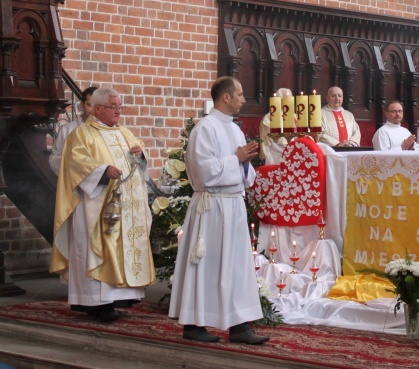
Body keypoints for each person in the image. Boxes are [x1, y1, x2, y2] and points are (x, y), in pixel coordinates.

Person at [169, 76, 269, 345]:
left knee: (237, 266)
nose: (243, 99)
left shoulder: (235, 129)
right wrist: (236, 158)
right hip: (212, 207)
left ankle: (239, 326)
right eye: (240, 94)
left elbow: (243, 174)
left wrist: (247, 161)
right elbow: (203, 171)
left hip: (233, 205)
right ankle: (194, 323)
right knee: (207, 264)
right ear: (225, 97)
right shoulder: (205, 129)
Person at [50, 87, 154, 323]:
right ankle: (96, 303)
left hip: (126, 207)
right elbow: (75, 164)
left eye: (120, 107)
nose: (118, 111)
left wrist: (141, 156)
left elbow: (141, 164)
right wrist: (102, 171)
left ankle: (121, 298)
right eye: (113, 107)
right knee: (97, 249)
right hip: (95, 206)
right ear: (97, 109)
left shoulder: (126, 133)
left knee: (124, 248)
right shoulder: (81, 135)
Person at [49, 86, 98, 175]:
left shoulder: (108, 131)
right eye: (89, 105)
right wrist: (73, 168)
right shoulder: (67, 130)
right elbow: (54, 158)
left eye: (97, 106)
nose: (93, 111)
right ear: (82, 105)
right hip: (73, 183)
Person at [258, 87, 292, 164]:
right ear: (280, 100)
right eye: (287, 99)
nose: (291, 102)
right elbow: (277, 139)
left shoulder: (295, 116)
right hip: (276, 152)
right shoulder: (269, 117)